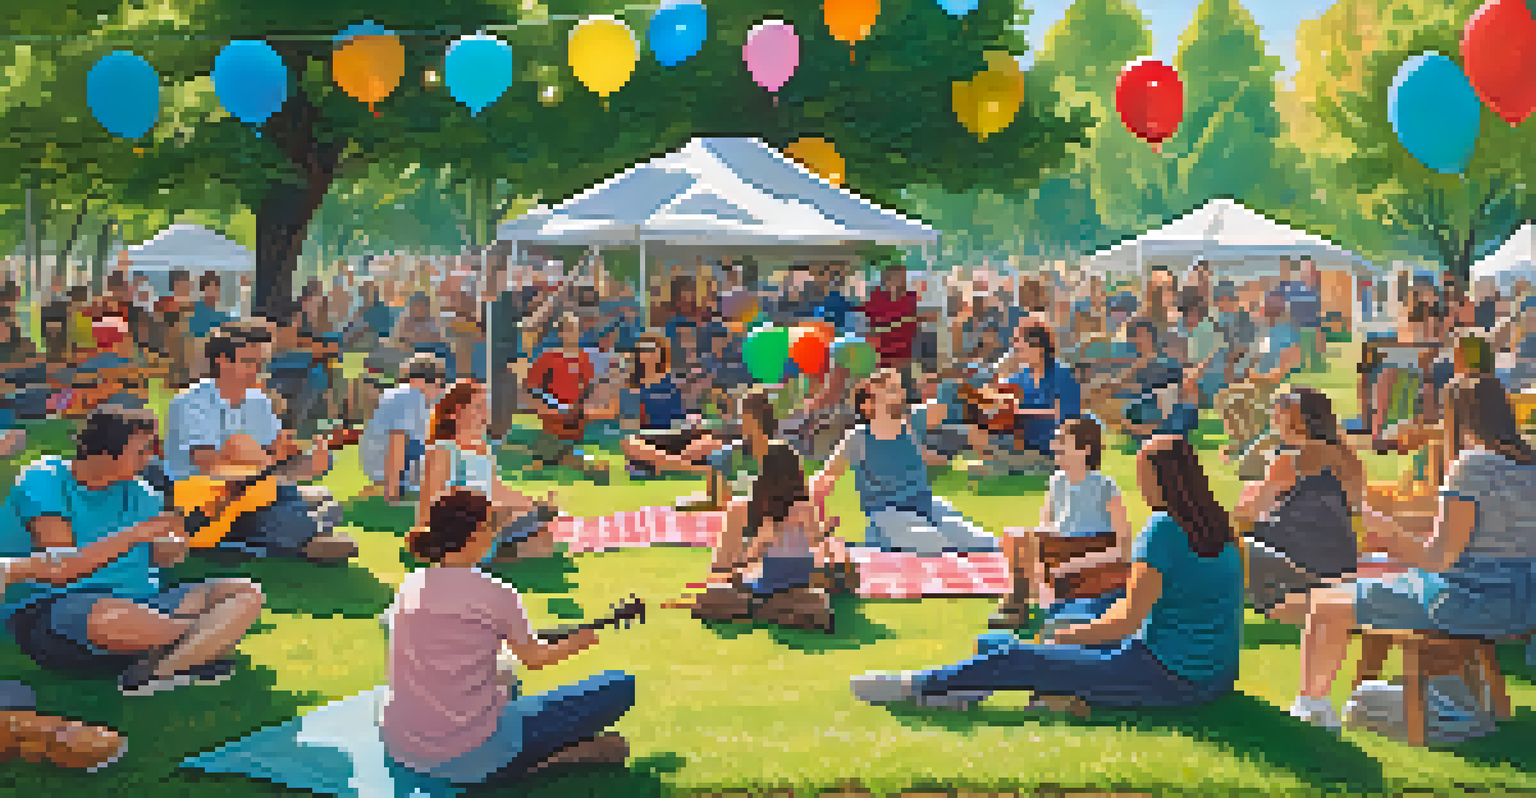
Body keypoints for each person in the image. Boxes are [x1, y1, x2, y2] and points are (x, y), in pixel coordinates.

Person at [850, 435, 1243, 715]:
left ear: (1163, 480)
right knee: (1003, 642)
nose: (1140, 487)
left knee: (1019, 655)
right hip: (1213, 676)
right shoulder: (1220, 526)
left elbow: (1127, 622)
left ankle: (915, 686)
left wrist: (1067, 635)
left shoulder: (1162, 529)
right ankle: (976, 684)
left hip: (1168, 676)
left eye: (1143, 477)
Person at [1280, 376, 1536, 731]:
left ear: (1457, 418)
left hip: (1468, 603)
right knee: (1382, 581)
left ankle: (1310, 709)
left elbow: (1439, 558)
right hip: (1521, 604)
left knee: (1326, 602)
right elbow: (1486, 539)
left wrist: (1389, 534)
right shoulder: (1528, 465)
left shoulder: (1473, 466)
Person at [0, 407, 265, 696]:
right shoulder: (46, 478)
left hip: (144, 605)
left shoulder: (142, 493)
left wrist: (172, 548)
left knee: (246, 593)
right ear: (103, 451)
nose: (149, 458)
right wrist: (136, 534)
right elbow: (61, 567)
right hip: (59, 610)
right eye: (141, 451)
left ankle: (157, 671)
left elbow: (161, 560)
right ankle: (205, 644)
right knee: (107, 617)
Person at [381, 489, 635, 784]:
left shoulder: (409, 586)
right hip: (469, 752)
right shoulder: (496, 593)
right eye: (490, 526)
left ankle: (515, 755)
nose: (493, 535)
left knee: (505, 672)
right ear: (474, 534)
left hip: (403, 745)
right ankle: (536, 764)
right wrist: (579, 642)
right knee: (619, 685)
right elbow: (536, 658)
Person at [158, 322, 356, 562]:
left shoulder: (258, 400)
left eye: (261, 363)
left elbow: (276, 459)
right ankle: (297, 535)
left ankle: (295, 531)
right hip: (202, 499)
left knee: (327, 503)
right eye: (249, 362)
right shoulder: (190, 403)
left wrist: (309, 465)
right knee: (301, 514)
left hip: (253, 491)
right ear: (222, 361)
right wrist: (273, 468)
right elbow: (208, 466)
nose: (258, 370)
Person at [818, 368, 997, 555]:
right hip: (888, 514)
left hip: (927, 505)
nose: (900, 395)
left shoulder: (911, 424)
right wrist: (820, 522)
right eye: (890, 389)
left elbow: (942, 408)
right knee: (934, 545)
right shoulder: (858, 438)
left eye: (899, 388)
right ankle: (878, 539)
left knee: (981, 543)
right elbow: (824, 479)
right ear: (867, 405)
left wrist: (969, 386)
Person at [990, 417, 1135, 631]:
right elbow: (1046, 524)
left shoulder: (1105, 486)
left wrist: (1080, 562)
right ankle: (1017, 602)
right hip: (1059, 547)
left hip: (1090, 548)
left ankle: (1020, 605)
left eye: (1061, 442)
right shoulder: (1057, 481)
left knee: (1024, 540)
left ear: (1084, 449)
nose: (1054, 446)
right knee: (1014, 536)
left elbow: (1123, 543)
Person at [1233, 388, 1365, 618]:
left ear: (1295, 420)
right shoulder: (1349, 458)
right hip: (1341, 564)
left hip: (1301, 566)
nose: (1273, 419)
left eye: (1278, 413)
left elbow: (1248, 513)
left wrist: (1251, 495)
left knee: (1219, 541)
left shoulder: (1292, 459)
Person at [418, 379, 559, 562]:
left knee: (544, 536)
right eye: (478, 406)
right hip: (460, 522)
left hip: (487, 516)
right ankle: (477, 553)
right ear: (454, 413)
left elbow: (496, 487)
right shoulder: (443, 449)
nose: (485, 413)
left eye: (486, 406)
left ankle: (489, 551)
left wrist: (532, 504)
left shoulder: (484, 447)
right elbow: (430, 501)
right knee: (538, 539)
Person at [523, 313, 610, 484]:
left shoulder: (584, 358)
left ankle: (583, 464)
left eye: (575, 329)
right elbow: (531, 391)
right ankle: (578, 464)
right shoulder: (547, 357)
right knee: (544, 461)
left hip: (576, 423)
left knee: (571, 454)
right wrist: (551, 409)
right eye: (568, 329)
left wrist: (580, 411)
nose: (572, 333)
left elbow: (587, 389)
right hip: (552, 423)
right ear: (560, 333)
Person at [360, 354, 448, 502]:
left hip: (385, 468)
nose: (440, 390)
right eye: (437, 383)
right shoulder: (410, 397)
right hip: (391, 470)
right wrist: (392, 492)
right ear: (417, 381)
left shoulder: (405, 395)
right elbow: (396, 443)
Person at [861, 267, 933, 372]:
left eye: (902, 278)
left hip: (905, 350)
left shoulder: (910, 297)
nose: (899, 281)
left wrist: (919, 318)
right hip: (882, 349)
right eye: (895, 278)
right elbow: (871, 323)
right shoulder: (876, 296)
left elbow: (914, 320)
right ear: (886, 279)